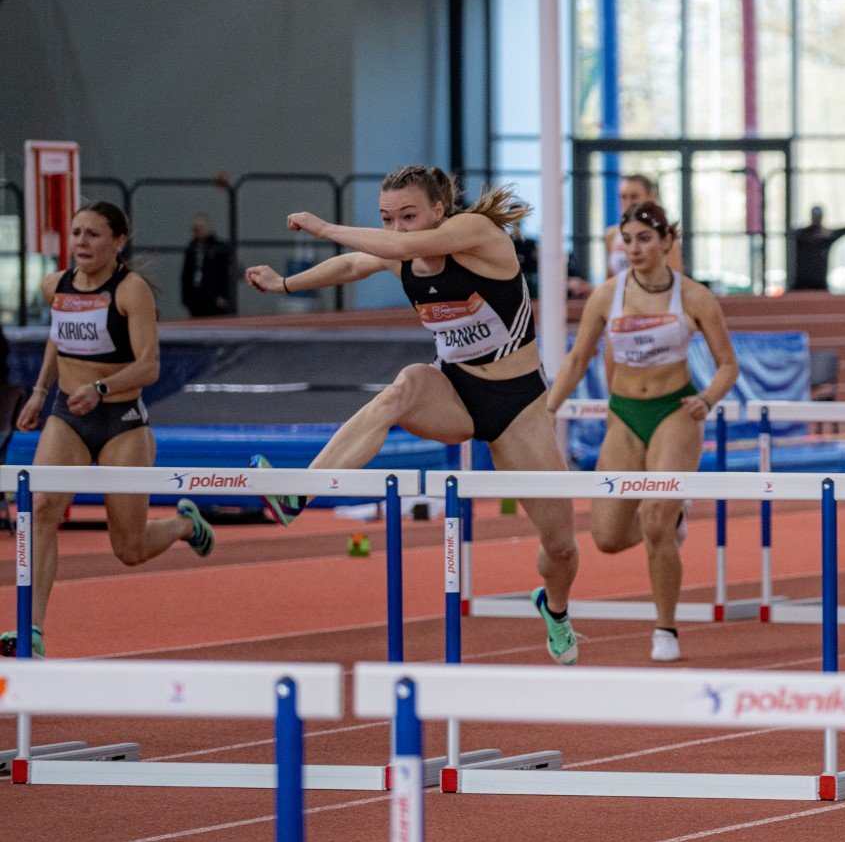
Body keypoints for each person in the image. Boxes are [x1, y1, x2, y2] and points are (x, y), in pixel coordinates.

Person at [244, 166, 584, 665]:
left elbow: (395, 247)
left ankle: (554, 607)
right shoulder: (398, 254)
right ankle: (297, 491)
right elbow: (351, 265)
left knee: (561, 547)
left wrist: (324, 227)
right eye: (387, 219)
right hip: (455, 391)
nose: (397, 228)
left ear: (439, 211)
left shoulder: (477, 233)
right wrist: (285, 284)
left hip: (518, 406)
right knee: (403, 387)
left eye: (408, 216)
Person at [6, 202, 217, 657]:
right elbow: (59, 335)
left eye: (93, 234)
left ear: (118, 242)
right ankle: (32, 629)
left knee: (129, 549)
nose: (81, 242)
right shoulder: (55, 286)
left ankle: (184, 525)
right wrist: (40, 391)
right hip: (68, 416)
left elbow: (149, 366)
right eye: (76, 233)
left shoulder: (130, 290)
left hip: (121, 422)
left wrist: (101, 388)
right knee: (40, 507)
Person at [545, 201, 739, 662]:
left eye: (645, 240)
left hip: (675, 413)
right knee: (607, 538)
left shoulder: (694, 297)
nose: (634, 249)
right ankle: (676, 518)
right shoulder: (606, 296)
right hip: (625, 413)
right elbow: (578, 359)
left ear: (667, 241)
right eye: (627, 241)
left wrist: (708, 398)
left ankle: (665, 629)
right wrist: (548, 409)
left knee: (653, 520)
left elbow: (728, 365)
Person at [180, 213, 235, 317]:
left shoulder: (219, 248)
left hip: (215, 298)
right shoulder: (192, 248)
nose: (198, 233)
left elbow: (227, 274)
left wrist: (224, 295)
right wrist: (186, 298)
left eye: (200, 229)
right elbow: (186, 274)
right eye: (195, 230)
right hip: (196, 298)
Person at [789, 206, 845, 292]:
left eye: (818, 217)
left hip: (819, 282)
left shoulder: (826, 237)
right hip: (802, 281)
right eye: (815, 216)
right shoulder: (802, 235)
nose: (816, 219)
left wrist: (828, 233)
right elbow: (791, 233)